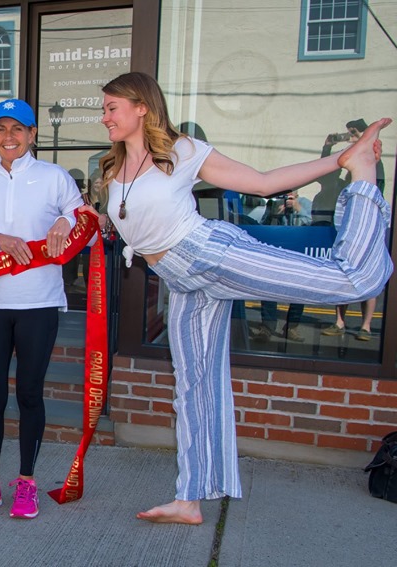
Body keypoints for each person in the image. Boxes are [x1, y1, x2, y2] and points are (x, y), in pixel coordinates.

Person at [98, 71, 391, 524]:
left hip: (210, 254)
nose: (104, 118)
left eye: (111, 108)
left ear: (141, 107)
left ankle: (364, 178)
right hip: (180, 279)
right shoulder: (114, 169)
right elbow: (116, 218)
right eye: (104, 109)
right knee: (193, 385)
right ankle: (189, 499)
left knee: (350, 281)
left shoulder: (183, 150)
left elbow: (262, 182)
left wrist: (341, 160)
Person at [0, 98, 86, 521]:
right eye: (0, 129)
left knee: (29, 394)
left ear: (32, 135)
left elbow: (83, 219)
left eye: (17, 129)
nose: (8, 137)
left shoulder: (56, 178)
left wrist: (69, 220)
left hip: (39, 304)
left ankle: (26, 483)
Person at [316, 119, 387, 342]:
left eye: (354, 134)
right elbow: (326, 175)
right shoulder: (346, 176)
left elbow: (376, 174)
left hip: (368, 226)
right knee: (344, 273)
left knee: (365, 274)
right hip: (347, 227)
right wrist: (328, 147)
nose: (350, 138)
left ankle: (366, 325)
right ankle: (339, 322)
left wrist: (365, 140)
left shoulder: (372, 165)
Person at [251, 190, 312, 343]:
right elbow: (263, 227)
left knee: (299, 291)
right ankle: (267, 327)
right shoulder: (274, 203)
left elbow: (310, 224)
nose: (288, 193)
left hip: (297, 254)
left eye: (292, 190)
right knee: (268, 290)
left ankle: (291, 327)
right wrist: (274, 214)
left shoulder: (305, 203)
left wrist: (298, 209)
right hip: (276, 252)